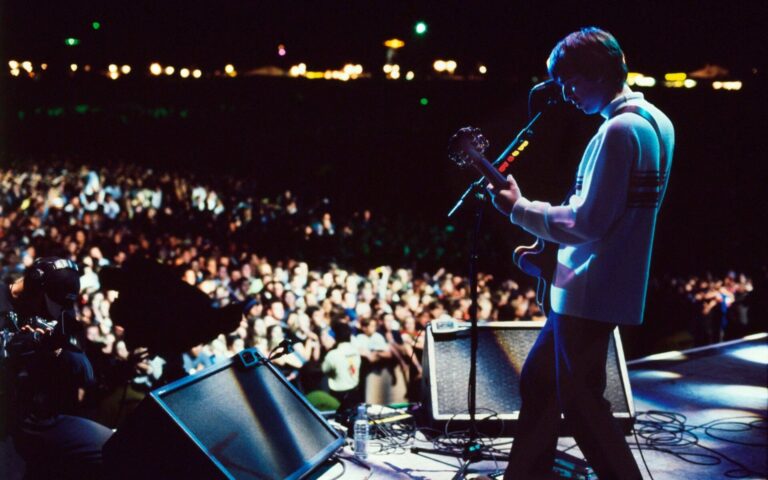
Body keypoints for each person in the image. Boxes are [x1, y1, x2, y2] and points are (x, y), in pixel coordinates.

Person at [489, 27, 674, 480]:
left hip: (588, 288)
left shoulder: (618, 131)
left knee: (581, 402)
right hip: (601, 283)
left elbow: (587, 222)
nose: (566, 95)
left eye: (570, 82)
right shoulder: (658, 122)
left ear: (595, 73)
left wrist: (520, 209)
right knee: (539, 383)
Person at [1, 257, 113, 479]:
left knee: (113, 446)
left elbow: (86, 373)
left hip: (37, 416)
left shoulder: (59, 312)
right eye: (47, 303)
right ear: (34, 283)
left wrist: (56, 350)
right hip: (3, 412)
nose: (50, 312)